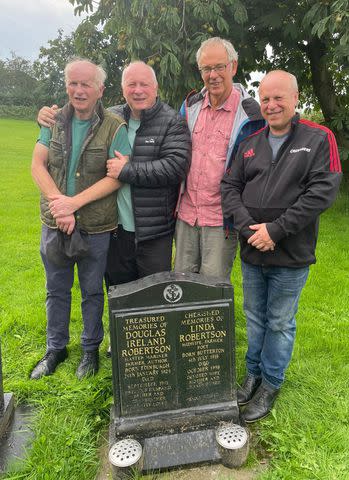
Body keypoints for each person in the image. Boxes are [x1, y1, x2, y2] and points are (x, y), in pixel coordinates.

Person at [221, 70, 342, 422]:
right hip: (251, 249)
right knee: (255, 317)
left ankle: (271, 383)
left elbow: (322, 193)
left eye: (279, 98)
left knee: (279, 322)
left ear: (295, 98)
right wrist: (247, 228)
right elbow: (229, 187)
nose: (271, 105)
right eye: (266, 99)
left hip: (291, 253)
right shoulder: (250, 142)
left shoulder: (319, 139)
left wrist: (276, 230)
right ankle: (252, 375)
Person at [38, 61, 191, 287]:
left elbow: (175, 167)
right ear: (122, 89)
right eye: (131, 85)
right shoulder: (111, 118)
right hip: (115, 229)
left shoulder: (172, 122)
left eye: (144, 85)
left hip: (153, 232)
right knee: (119, 296)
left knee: (154, 299)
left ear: (156, 88)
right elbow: (77, 113)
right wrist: (45, 116)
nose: (138, 90)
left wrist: (128, 170)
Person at [30, 58, 131, 380]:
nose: (78, 90)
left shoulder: (115, 127)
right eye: (73, 83)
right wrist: (60, 206)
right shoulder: (53, 121)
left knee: (91, 291)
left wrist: (73, 204)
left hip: (96, 227)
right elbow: (37, 165)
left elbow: (118, 176)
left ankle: (90, 351)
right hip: (53, 224)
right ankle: (55, 349)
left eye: (86, 84)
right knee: (56, 289)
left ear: (100, 90)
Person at [174, 37, 265, 282]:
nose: (213, 75)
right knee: (181, 285)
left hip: (221, 218)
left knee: (212, 293)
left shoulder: (251, 115)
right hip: (186, 213)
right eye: (206, 68)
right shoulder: (189, 106)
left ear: (233, 67)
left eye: (219, 67)